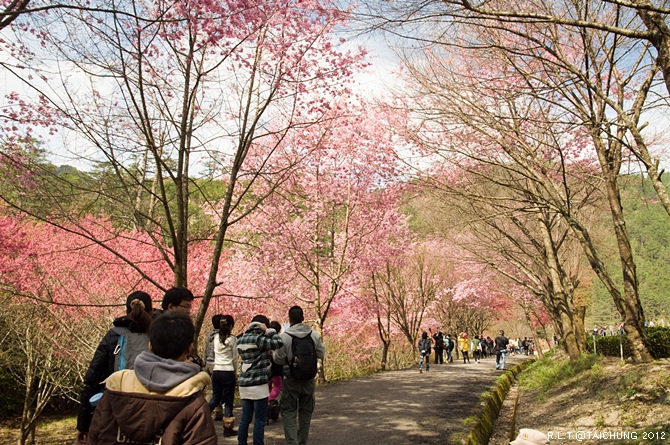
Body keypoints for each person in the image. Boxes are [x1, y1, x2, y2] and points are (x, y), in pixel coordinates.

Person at [87, 311, 216, 445]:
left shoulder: (117, 386)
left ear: (150, 345)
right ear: (189, 349)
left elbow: (94, 437)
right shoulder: (193, 401)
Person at [76, 291, 153, 445]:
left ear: (126, 312)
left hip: (116, 411)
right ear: (151, 311)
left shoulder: (114, 335)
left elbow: (92, 379)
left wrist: (83, 425)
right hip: (151, 413)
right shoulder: (159, 336)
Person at [272, 306, 326, 445]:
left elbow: (278, 358)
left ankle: (292, 442)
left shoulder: (285, 337)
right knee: (306, 412)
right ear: (303, 318)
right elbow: (321, 353)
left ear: (290, 320)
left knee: (289, 411)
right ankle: (302, 441)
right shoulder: (313, 335)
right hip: (308, 378)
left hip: (291, 379)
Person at [237, 314, 284, 445]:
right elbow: (278, 343)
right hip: (259, 385)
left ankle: (242, 443)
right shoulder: (259, 339)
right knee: (259, 420)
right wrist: (270, 331)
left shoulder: (240, 339)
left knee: (245, 417)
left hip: (244, 384)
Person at [209, 314, 238, 437]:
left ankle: (202, 415)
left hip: (216, 371)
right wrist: (235, 373)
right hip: (228, 371)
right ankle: (227, 429)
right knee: (228, 401)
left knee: (215, 398)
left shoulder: (215, 338)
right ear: (231, 326)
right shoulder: (232, 339)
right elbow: (235, 358)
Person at [204, 314, 225, 421]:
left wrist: (205, 364)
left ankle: (218, 411)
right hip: (217, 364)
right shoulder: (221, 336)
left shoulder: (209, 335)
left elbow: (205, 349)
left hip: (209, 363)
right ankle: (205, 410)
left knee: (215, 389)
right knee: (214, 390)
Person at [268, 320, 284, 420]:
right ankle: (270, 399)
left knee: (268, 386)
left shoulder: (265, 339)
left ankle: (267, 403)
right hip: (276, 365)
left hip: (266, 366)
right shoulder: (278, 339)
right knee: (278, 385)